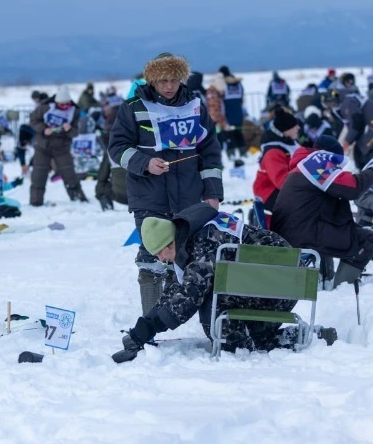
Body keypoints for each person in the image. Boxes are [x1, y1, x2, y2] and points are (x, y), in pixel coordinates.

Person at [111, 203, 321, 363]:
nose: (161, 260)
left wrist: (149, 328)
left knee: (212, 305)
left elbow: (190, 294)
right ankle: (301, 337)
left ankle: (238, 352)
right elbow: (176, 289)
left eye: (159, 253)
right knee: (234, 316)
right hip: (270, 283)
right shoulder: (190, 240)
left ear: (170, 241)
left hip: (278, 285)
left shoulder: (205, 240)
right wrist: (145, 326)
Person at [107, 52, 223, 315]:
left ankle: (172, 314)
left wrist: (213, 192)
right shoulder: (133, 107)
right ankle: (151, 319)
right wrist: (144, 163)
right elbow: (117, 148)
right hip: (149, 196)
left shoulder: (195, 106)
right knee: (153, 257)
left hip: (189, 197)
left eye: (173, 79)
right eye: (162, 81)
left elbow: (210, 153)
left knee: (182, 256)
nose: (168, 86)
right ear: (151, 81)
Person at [272, 136, 373, 288]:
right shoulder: (314, 165)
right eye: (336, 163)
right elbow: (353, 188)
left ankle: (333, 281)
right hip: (303, 233)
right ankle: (343, 288)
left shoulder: (303, 165)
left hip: (298, 229)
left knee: (354, 231)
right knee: (367, 239)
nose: (337, 168)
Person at [29, 85, 87, 206]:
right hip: (43, 146)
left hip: (62, 147)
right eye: (62, 104)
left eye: (67, 104)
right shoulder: (45, 107)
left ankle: (78, 199)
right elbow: (33, 120)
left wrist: (69, 129)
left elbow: (75, 132)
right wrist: (43, 129)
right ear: (56, 102)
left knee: (69, 174)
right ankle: (35, 202)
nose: (65, 106)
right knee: (38, 175)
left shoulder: (74, 111)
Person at [251, 107, 302, 227]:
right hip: (268, 192)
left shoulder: (288, 143)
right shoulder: (273, 152)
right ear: (286, 130)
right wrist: (305, 184)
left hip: (285, 188)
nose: (298, 128)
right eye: (294, 126)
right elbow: (281, 181)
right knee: (302, 205)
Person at [215, 66, 246, 158]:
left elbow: (220, 97)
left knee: (229, 134)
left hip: (228, 112)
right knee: (238, 132)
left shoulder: (224, 84)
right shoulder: (238, 83)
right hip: (238, 111)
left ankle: (231, 153)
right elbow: (242, 96)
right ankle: (243, 152)